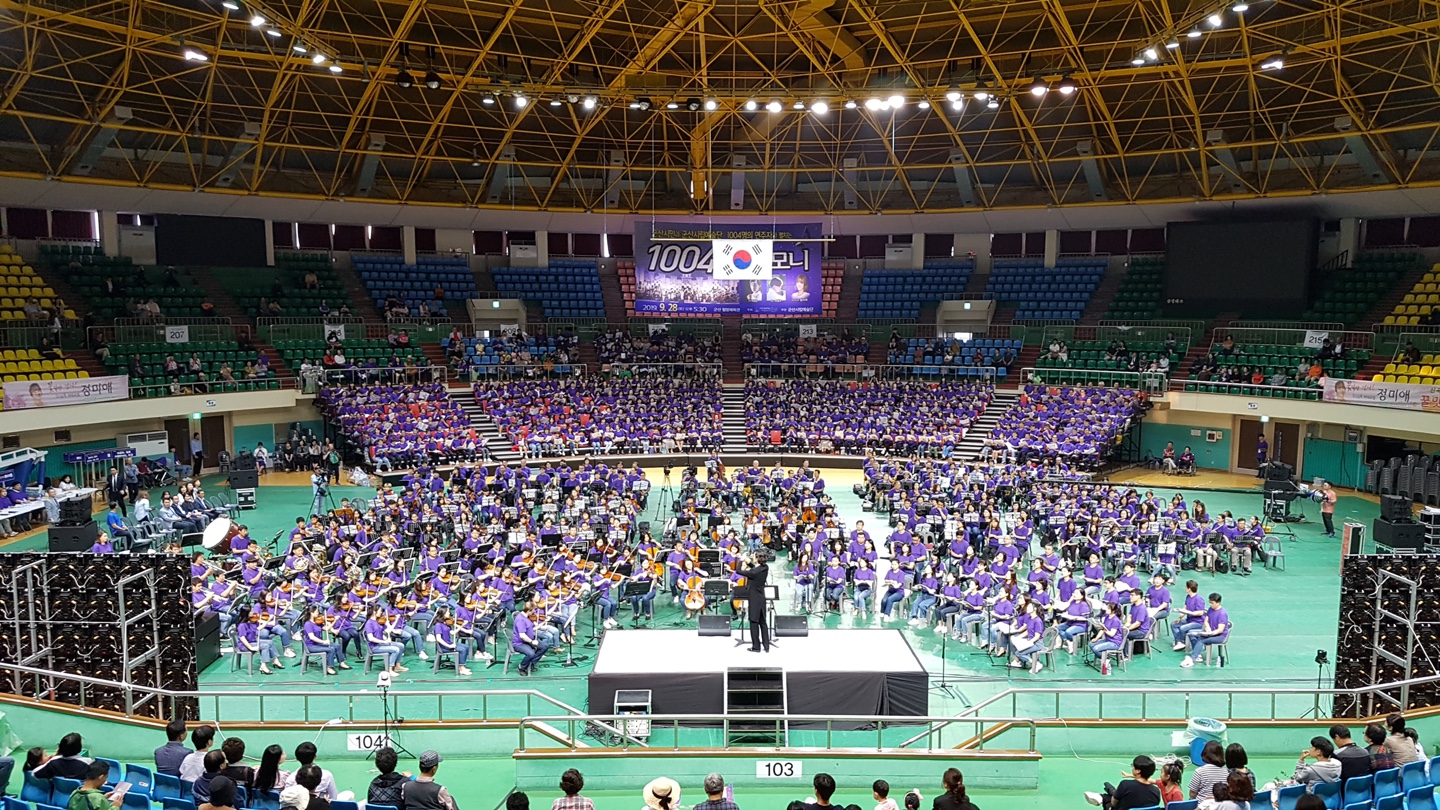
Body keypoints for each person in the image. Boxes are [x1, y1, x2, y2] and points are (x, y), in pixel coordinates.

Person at [1084, 755, 1161, 810]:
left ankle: (1102, 797)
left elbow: (1113, 803)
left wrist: (1116, 792)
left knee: (1109, 803)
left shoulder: (1125, 784)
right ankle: (1102, 796)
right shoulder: (1156, 791)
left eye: (1133, 766)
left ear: (1138, 771)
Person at [1178, 593, 1229, 668]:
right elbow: (1206, 621)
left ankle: (1192, 658)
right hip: (1210, 632)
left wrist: (1211, 633)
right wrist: (1207, 627)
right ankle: (1197, 654)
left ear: (1218, 603)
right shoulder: (1211, 609)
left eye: (1212, 603)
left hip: (1219, 636)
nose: (1210, 604)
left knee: (1201, 640)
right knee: (1192, 634)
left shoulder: (1222, 614)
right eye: (1210, 602)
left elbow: (1220, 630)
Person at [740, 550, 772, 652]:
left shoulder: (753, 572)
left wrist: (741, 561)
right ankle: (766, 646)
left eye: (754, 556)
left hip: (754, 599)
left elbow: (739, 571)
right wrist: (748, 561)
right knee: (763, 623)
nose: (753, 557)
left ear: (757, 558)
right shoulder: (765, 567)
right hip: (761, 598)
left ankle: (756, 647)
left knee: (754, 623)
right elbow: (754, 567)